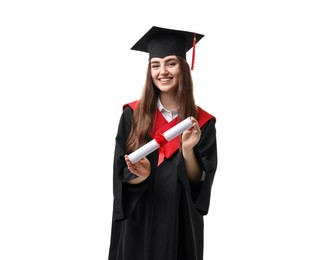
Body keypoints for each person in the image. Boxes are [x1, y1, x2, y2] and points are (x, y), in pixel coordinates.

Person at [108, 26, 218, 260]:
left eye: (171, 63)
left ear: (183, 68)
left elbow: (201, 186)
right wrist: (141, 175)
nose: (162, 71)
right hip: (139, 222)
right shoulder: (132, 115)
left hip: (180, 224)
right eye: (155, 64)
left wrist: (188, 151)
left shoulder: (202, 123)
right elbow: (120, 177)